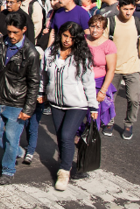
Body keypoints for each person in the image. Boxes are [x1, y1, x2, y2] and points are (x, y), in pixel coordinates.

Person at [0, 11, 41, 185]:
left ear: (24, 30)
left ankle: (8, 170)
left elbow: (34, 82)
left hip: (17, 102)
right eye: (9, 32)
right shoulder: (2, 43)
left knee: (11, 137)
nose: (12, 36)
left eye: (16, 32)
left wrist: (28, 109)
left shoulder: (31, 53)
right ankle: (16, 151)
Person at [40, 22, 98, 190]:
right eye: (65, 36)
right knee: (61, 137)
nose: (67, 40)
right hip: (56, 104)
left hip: (77, 104)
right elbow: (44, 76)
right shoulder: (50, 52)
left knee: (66, 135)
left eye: (72, 37)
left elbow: (88, 83)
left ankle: (64, 171)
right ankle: (67, 158)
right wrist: (41, 93)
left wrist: (93, 106)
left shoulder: (82, 56)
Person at [105, 0, 140, 140]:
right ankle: (109, 122)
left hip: (133, 67)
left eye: (131, 9)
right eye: (125, 9)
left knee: (133, 98)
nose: (128, 12)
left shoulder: (138, 23)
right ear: (119, 8)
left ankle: (129, 123)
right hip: (113, 68)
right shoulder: (111, 22)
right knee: (109, 99)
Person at [86, 15, 117, 137]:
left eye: (98, 27)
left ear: (104, 29)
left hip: (98, 84)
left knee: (93, 116)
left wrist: (103, 91)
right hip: (81, 82)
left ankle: (89, 141)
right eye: (92, 26)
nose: (94, 30)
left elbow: (111, 69)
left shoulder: (109, 45)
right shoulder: (83, 40)